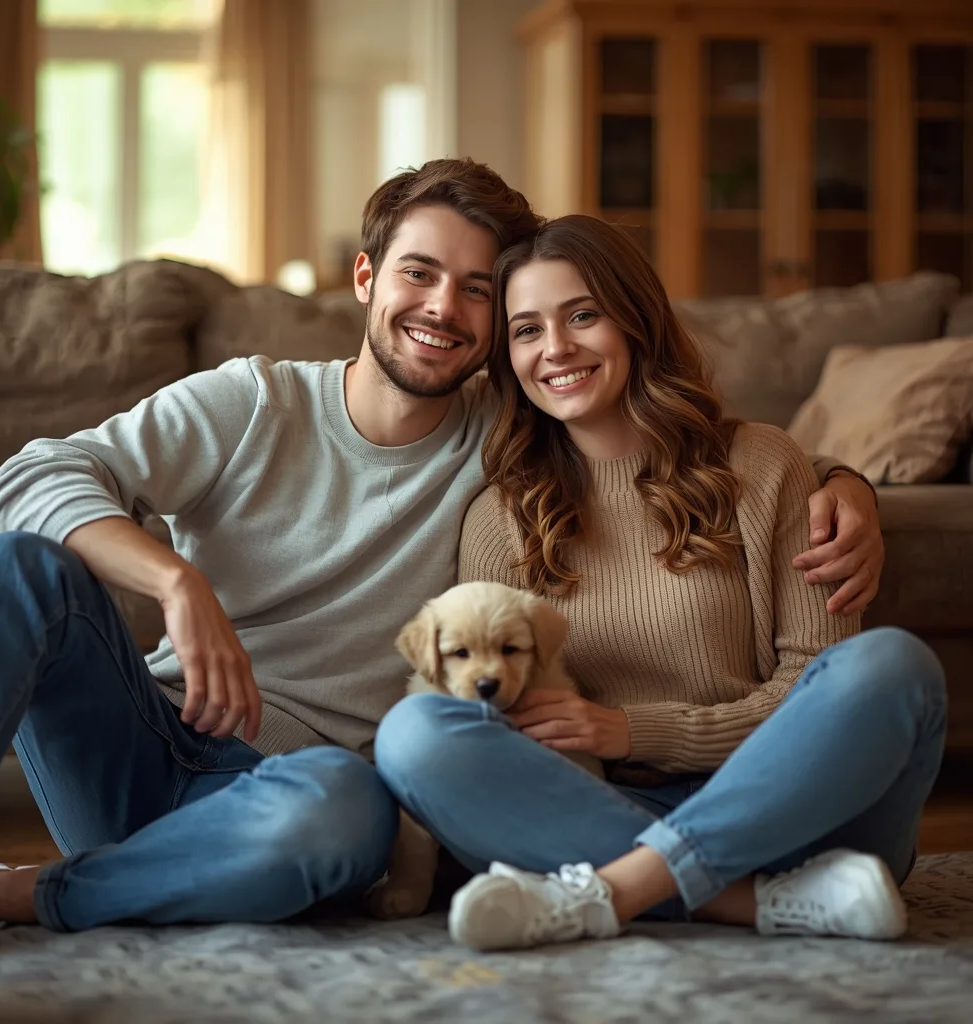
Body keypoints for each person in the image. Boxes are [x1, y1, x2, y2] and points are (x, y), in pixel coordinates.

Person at [0, 161, 884, 933]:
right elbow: (19, 483)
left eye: (479, 292)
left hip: (298, 798)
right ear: (366, 278)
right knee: (21, 570)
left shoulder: (510, 436)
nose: (442, 308)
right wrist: (177, 580)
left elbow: (652, 432)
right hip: (145, 739)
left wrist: (845, 481)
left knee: (347, 806)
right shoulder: (249, 401)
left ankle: (20, 896)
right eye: (419, 273)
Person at [374, 214, 946, 952]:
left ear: (637, 321)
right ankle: (766, 903)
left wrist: (636, 730)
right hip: (605, 811)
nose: (556, 349)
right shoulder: (499, 516)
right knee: (415, 734)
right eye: (525, 330)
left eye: (583, 315)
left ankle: (614, 894)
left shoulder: (765, 467)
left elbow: (817, 684)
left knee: (892, 666)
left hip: (797, 807)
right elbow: (497, 727)